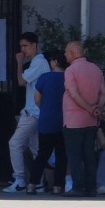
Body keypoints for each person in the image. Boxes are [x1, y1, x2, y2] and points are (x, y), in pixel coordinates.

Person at [2, 32, 50, 193]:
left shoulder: (39, 62)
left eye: (25, 46)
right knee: (35, 148)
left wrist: (19, 63)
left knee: (14, 143)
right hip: (36, 111)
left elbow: (21, 81)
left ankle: (20, 179)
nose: (22, 50)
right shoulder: (39, 62)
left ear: (34, 45)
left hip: (33, 112)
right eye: (21, 46)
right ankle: (38, 182)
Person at [62, 40, 105, 197]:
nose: (64, 54)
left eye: (66, 51)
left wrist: (88, 108)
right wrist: (97, 108)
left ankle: (78, 187)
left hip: (73, 120)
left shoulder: (70, 70)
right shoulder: (96, 69)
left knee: (74, 155)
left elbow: (74, 94)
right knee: (89, 154)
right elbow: (103, 93)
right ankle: (91, 188)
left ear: (72, 53)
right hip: (91, 120)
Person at [27, 50, 68, 195]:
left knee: (42, 155)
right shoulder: (68, 78)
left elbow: (37, 99)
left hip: (46, 120)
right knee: (62, 155)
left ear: (55, 62)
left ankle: (32, 184)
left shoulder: (44, 77)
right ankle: (58, 186)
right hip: (64, 121)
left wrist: (44, 108)